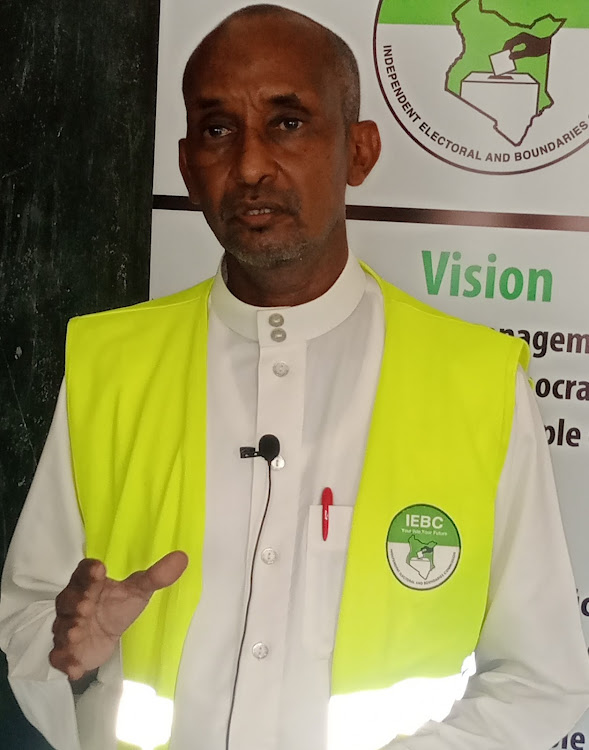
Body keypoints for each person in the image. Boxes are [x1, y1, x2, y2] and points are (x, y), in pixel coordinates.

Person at [1, 5, 588, 750]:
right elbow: (33, 615)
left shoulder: (475, 379)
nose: (248, 166)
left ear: (359, 151)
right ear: (186, 164)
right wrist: (74, 662)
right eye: (217, 129)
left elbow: (540, 676)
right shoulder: (109, 360)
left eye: (287, 123)